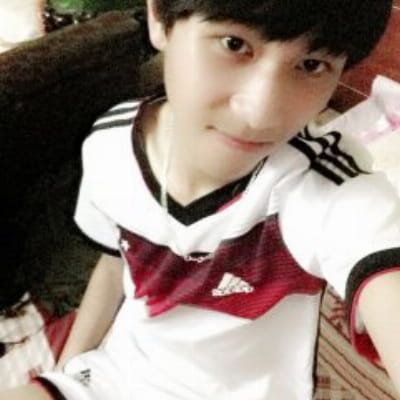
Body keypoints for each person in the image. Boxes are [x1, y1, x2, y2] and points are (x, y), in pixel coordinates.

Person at [2, 0, 400, 399]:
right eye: (234, 44)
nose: (260, 113)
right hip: (118, 377)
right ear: (160, 19)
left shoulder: (319, 184)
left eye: (311, 65)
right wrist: (66, 371)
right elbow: (115, 262)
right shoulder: (111, 145)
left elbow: (377, 253)